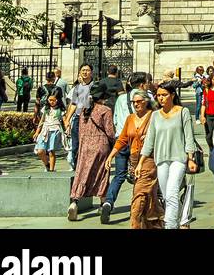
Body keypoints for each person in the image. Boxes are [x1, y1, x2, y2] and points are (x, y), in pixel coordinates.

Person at [137, 80, 198, 231]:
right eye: (158, 96)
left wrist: (190, 157)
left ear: (172, 95)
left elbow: (189, 137)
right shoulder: (156, 115)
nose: (161, 98)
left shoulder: (182, 112)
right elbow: (150, 140)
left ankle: (170, 226)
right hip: (161, 159)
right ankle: (176, 221)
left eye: (164, 95)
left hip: (179, 158)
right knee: (166, 195)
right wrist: (141, 162)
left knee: (171, 193)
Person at [103, 88, 153, 224]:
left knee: (139, 190)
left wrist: (148, 137)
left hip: (149, 159)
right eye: (133, 102)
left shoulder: (153, 116)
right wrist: (111, 155)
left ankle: (136, 219)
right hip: (134, 158)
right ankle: (148, 216)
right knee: (143, 190)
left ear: (146, 101)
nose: (135, 104)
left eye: (139, 101)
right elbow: (122, 139)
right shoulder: (130, 118)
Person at [67, 81, 115, 221]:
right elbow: (110, 132)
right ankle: (102, 204)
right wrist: (114, 146)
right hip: (101, 144)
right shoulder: (105, 110)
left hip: (85, 144)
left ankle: (74, 202)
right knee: (101, 173)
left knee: (81, 172)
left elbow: (80, 130)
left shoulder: (84, 109)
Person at [63, 64, 94, 170]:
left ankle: (89, 167)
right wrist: (67, 119)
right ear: (80, 72)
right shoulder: (77, 88)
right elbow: (73, 104)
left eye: (87, 70)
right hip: (78, 117)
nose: (85, 72)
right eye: (83, 70)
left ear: (92, 72)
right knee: (76, 145)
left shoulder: (95, 86)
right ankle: (77, 168)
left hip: (91, 119)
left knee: (89, 144)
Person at [34, 90, 66, 171]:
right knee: (40, 151)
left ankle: (51, 170)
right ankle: (47, 164)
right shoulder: (45, 109)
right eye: (50, 100)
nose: (52, 102)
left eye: (53, 100)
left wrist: (67, 129)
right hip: (45, 130)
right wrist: (37, 132)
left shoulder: (60, 110)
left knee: (51, 151)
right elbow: (42, 121)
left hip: (55, 130)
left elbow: (65, 121)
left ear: (57, 100)